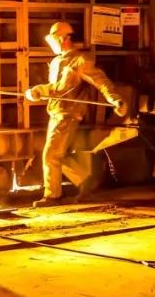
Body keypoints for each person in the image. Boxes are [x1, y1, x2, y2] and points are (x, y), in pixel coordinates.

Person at [24, 21, 127, 207]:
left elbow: (101, 81)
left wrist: (115, 99)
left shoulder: (80, 61)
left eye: (54, 39)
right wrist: (38, 93)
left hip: (68, 114)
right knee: (56, 154)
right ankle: (85, 180)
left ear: (63, 39)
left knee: (51, 154)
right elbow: (56, 89)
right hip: (55, 112)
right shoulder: (56, 62)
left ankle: (53, 196)